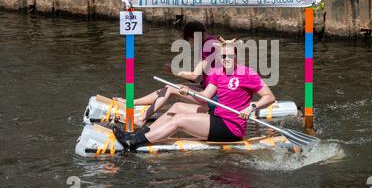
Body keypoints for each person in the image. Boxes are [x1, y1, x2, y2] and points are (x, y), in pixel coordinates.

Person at [112, 39, 276, 149]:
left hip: (232, 127)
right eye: (223, 56)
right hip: (217, 117)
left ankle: (133, 143)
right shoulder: (218, 72)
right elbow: (205, 96)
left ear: (236, 56)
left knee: (179, 120)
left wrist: (251, 107)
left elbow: (269, 97)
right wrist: (188, 91)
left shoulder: (248, 74)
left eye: (230, 56)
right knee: (175, 108)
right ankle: (138, 134)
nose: (226, 59)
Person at [115, 21, 218, 125]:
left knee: (170, 89)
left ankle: (141, 119)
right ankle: (134, 102)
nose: (191, 44)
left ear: (194, 37)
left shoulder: (207, 48)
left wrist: (175, 71)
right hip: (207, 87)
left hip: (211, 95)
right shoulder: (211, 41)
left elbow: (195, 76)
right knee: (168, 87)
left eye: (190, 41)